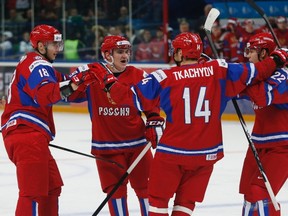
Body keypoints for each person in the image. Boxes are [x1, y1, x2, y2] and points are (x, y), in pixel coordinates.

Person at [84, 32, 288, 215]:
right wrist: (278, 58)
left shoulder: (164, 76)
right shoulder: (219, 69)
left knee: (158, 203)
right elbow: (259, 71)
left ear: (180, 53)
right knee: (185, 204)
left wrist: (106, 78)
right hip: (207, 154)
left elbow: (126, 97)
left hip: (173, 152)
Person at [0, 24, 90, 216]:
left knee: (51, 188)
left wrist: (94, 86)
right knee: (32, 192)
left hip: (30, 135)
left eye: (59, 45)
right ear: (41, 46)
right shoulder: (38, 65)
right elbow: (46, 93)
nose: (57, 50)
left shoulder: (42, 66)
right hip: (26, 134)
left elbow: (68, 92)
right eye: (53, 45)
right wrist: (75, 83)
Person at [70, 35, 163, 215]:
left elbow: (150, 103)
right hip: (107, 147)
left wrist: (153, 119)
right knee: (116, 194)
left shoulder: (138, 74)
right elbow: (68, 95)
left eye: (127, 52)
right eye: (120, 52)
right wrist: (76, 80)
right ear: (107, 55)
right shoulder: (92, 75)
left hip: (137, 145)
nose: (125, 56)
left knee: (146, 190)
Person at [238, 32, 288, 216]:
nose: (248, 55)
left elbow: (260, 96)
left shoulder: (284, 75)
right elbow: (233, 88)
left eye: (252, 51)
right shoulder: (256, 74)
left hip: (281, 147)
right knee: (248, 194)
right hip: (258, 144)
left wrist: (242, 82)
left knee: (260, 194)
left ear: (265, 54)